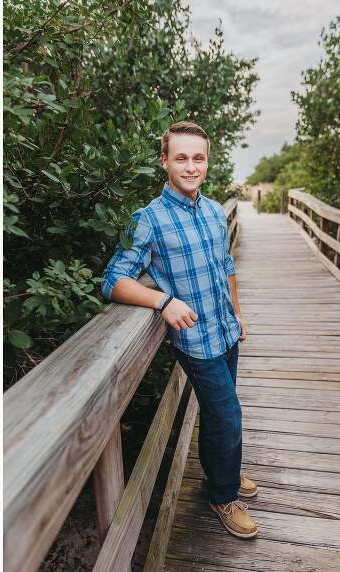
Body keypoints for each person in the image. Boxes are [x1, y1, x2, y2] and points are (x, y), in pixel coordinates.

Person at [102, 121, 257, 539]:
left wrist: (238, 313)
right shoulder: (147, 220)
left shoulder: (210, 209)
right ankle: (224, 497)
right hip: (196, 339)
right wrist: (163, 301)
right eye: (181, 158)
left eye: (198, 158)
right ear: (165, 162)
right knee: (229, 417)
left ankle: (220, 474)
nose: (191, 167)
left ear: (207, 161)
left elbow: (226, 267)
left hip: (225, 329)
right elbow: (113, 280)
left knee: (218, 414)